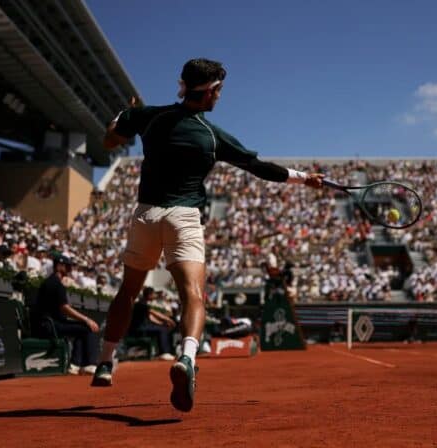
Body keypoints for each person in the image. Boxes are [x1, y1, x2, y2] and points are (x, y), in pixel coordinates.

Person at [90, 58, 323, 413]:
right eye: (220, 91)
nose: (220, 97)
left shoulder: (148, 116)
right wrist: (303, 177)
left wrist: (122, 117)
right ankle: (186, 357)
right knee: (193, 294)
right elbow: (258, 167)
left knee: (128, 291)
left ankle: (106, 362)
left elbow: (110, 140)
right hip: (184, 217)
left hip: (146, 214)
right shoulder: (212, 135)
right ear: (211, 91)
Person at [32, 255, 101, 374]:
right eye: (67, 266)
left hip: (50, 322)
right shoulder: (55, 283)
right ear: (59, 266)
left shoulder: (52, 282)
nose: (70, 269)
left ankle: (75, 365)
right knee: (88, 328)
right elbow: (64, 308)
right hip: (49, 325)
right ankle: (89, 364)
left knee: (82, 329)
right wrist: (86, 319)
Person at [129, 287, 177, 360]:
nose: (155, 295)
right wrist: (168, 320)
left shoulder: (144, 303)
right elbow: (154, 313)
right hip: (138, 329)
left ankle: (167, 352)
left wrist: (163, 323)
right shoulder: (141, 304)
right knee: (162, 330)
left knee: (163, 328)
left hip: (144, 327)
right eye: (154, 294)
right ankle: (164, 353)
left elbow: (151, 318)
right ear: (149, 295)